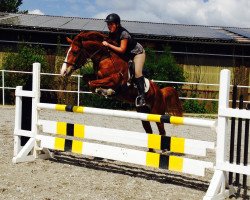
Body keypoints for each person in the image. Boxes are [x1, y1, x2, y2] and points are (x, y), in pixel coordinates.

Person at [102, 13, 146, 107]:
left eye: (111, 24)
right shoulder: (111, 33)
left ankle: (142, 97)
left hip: (137, 53)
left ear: (117, 24)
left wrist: (108, 45)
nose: (109, 26)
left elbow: (122, 49)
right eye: (108, 24)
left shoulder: (123, 33)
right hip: (127, 54)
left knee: (137, 72)